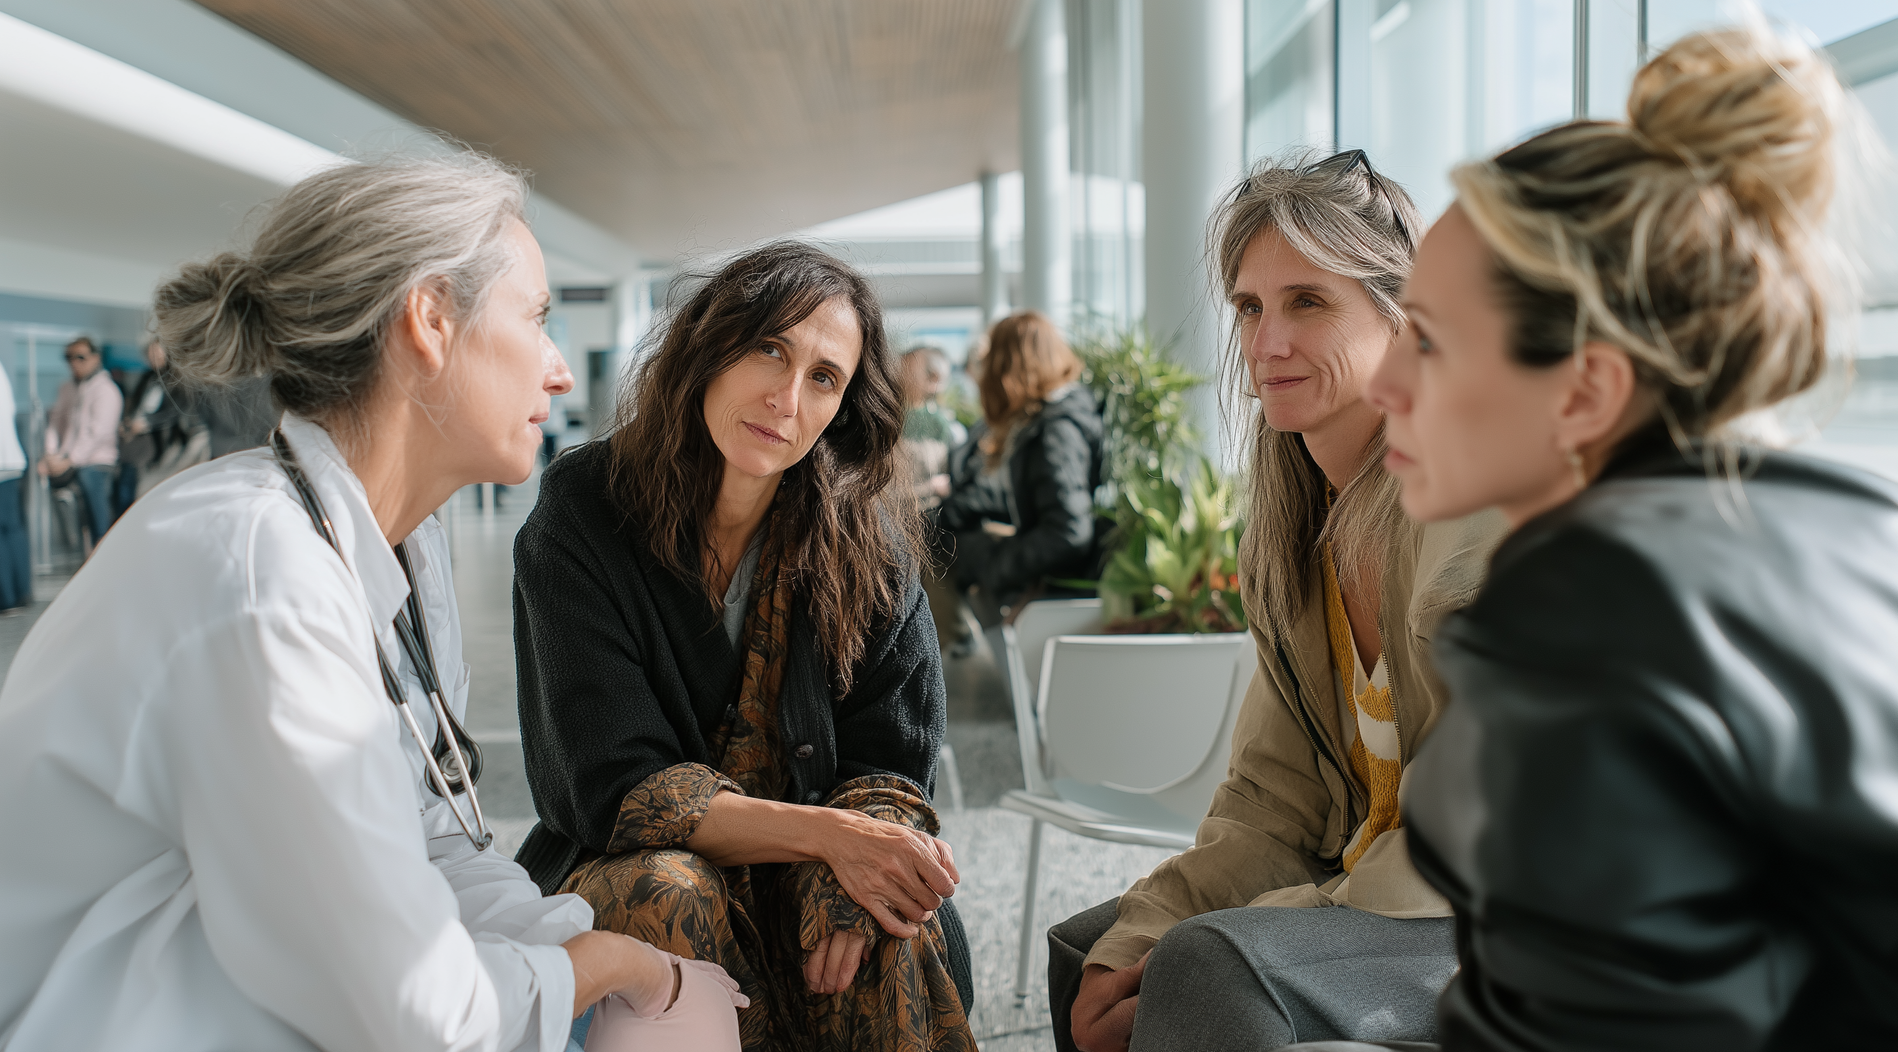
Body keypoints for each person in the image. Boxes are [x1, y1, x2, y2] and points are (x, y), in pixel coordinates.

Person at [0, 154, 743, 1052]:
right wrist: (622, 968)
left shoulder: (392, 547)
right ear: (430, 320)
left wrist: (583, 948)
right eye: (537, 319)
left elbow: (431, 829)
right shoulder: (261, 580)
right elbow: (418, 1015)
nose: (558, 372)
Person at [1368, 24, 1898, 1050]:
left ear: (1585, 391)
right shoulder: (1857, 521)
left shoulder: (1577, 606)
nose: (1385, 383)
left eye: (1426, 340)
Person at [1050, 151, 1506, 1052]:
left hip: (1517, 910)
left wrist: (1268, 919)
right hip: (1391, 900)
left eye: (1308, 301)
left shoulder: (1472, 510)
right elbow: (1273, 799)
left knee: (1213, 965)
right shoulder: (1297, 540)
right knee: (1091, 955)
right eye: (1250, 307)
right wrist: (1142, 933)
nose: (1266, 344)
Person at [513, 241, 976, 1051]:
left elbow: (893, 757)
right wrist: (831, 836)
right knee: (669, 886)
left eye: (824, 377)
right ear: (710, 345)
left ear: (842, 407)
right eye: (771, 348)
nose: (787, 397)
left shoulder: (863, 542)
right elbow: (618, 785)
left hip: (806, 870)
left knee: (879, 913)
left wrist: (852, 866)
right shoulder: (584, 510)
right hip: (628, 863)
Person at [931, 311, 1104, 625]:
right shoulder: (1048, 421)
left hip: (1056, 590)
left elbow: (1069, 532)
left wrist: (995, 568)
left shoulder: (1055, 430)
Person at [38, 336, 121, 553]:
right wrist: (50, 455)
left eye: (80, 357)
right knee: (76, 526)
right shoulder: (68, 388)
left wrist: (69, 460)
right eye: (69, 357)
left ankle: (104, 568)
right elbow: (56, 422)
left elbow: (98, 433)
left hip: (96, 464)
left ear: (95, 358)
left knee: (99, 524)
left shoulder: (107, 390)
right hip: (69, 462)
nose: (74, 362)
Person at [112, 339, 192, 515]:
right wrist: (127, 421)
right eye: (149, 354)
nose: (152, 357)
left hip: (159, 437)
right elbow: (134, 404)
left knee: (133, 476)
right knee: (123, 473)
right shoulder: (147, 377)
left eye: (156, 353)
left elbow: (176, 412)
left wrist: (147, 423)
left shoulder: (178, 380)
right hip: (136, 436)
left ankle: (130, 515)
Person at [0, 360, 29, 611]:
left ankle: (6, 598)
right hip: (10, 458)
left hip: (2, 461)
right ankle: (22, 593)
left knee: (4, 530)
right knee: (13, 528)